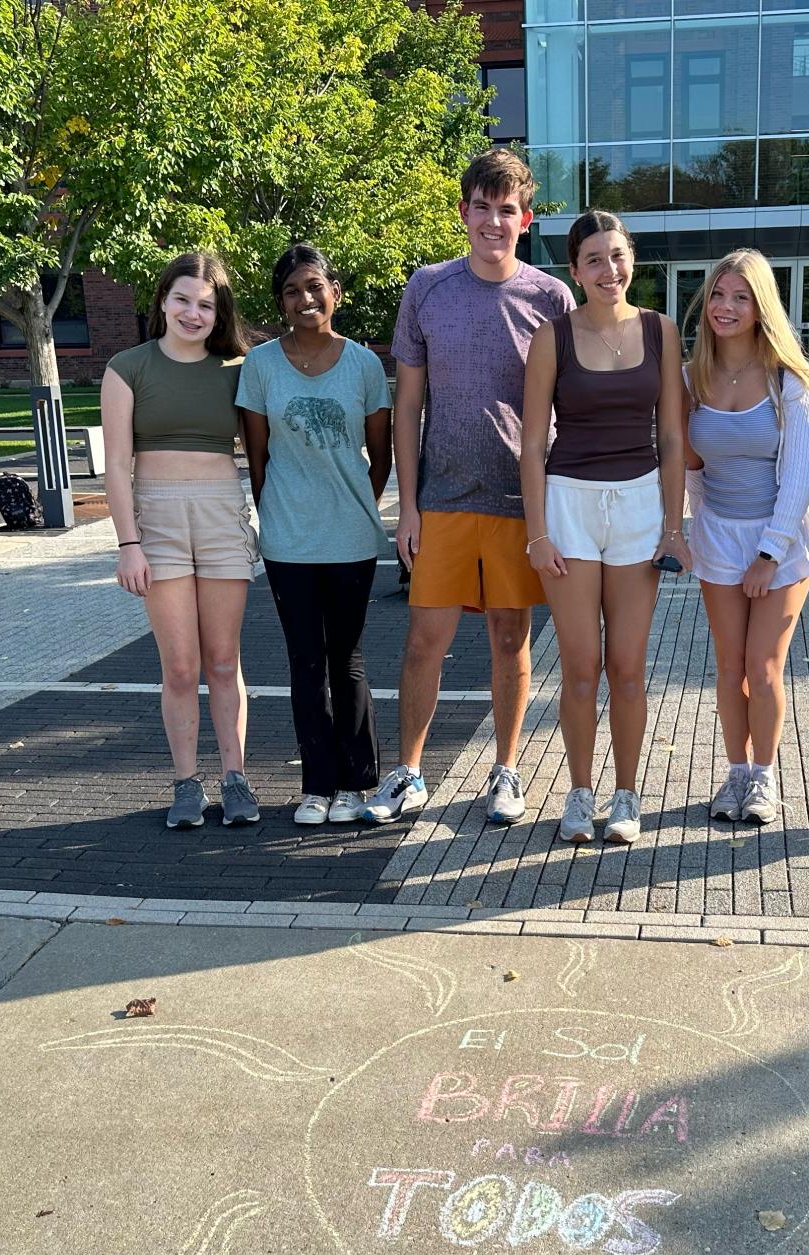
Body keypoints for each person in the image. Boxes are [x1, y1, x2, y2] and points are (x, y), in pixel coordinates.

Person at [360, 148, 576, 828]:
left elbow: (569, 410)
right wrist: (407, 505)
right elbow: (408, 406)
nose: (492, 221)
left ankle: (505, 772)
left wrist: (560, 512)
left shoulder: (550, 298)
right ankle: (408, 773)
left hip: (520, 504)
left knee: (511, 640)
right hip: (443, 501)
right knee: (424, 639)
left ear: (524, 218)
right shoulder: (427, 287)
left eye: (505, 210)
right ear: (463, 213)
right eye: (480, 208)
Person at [519, 210, 686, 845]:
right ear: (575, 270)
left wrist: (674, 526)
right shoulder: (551, 337)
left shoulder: (660, 330)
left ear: (631, 259)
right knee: (581, 665)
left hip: (641, 505)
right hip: (568, 506)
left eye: (617, 255)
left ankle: (626, 795)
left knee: (628, 666)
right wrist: (538, 534)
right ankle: (579, 793)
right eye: (594, 259)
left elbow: (670, 437)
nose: (608, 269)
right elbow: (532, 443)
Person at [103, 250, 259, 830]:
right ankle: (187, 782)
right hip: (157, 523)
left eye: (206, 305)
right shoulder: (127, 367)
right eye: (182, 300)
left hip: (221, 515)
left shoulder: (240, 368)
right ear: (163, 301)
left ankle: (236, 778)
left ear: (219, 314)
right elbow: (116, 465)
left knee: (223, 663)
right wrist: (128, 543)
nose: (192, 314)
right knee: (179, 667)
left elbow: (268, 448)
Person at [238, 243, 392, 826]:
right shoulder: (260, 366)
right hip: (288, 540)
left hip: (351, 537)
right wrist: (280, 513)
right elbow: (257, 460)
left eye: (314, 287)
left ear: (336, 293)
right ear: (281, 303)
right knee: (303, 661)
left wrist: (355, 505)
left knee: (346, 660)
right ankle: (316, 786)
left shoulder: (363, 365)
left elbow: (381, 456)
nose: (305, 299)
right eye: (292, 291)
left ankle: (358, 784)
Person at [680, 247, 809, 827]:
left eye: (741, 296)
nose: (726, 306)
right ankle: (735, 775)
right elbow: (692, 470)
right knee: (728, 666)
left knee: (763, 667)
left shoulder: (789, 380)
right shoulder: (691, 378)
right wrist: (693, 534)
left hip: (782, 544)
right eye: (718, 294)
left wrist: (769, 552)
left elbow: (799, 476)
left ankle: (764, 779)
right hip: (718, 538)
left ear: (762, 305)